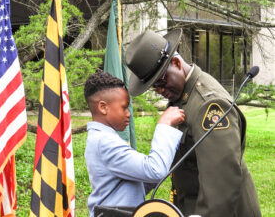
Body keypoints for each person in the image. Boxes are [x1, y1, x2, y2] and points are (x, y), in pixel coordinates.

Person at [125, 29, 262, 217]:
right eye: (154, 87)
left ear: (176, 63)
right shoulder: (182, 94)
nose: (160, 90)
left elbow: (221, 186)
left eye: (161, 81)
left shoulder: (210, 106)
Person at [83, 71, 185, 217]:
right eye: (124, 107)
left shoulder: (102, 138)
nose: (128, 114)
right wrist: (164, 124)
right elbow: (155, 170)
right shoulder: (105, 142)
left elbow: (132, 183)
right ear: (103, 107)